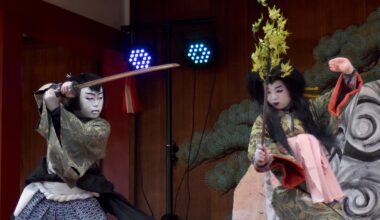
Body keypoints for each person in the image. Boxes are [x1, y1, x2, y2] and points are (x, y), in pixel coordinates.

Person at [13, 73, 152, 220]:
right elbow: (45, 94)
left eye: (100, 97)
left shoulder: (100, 126)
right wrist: (59, 89)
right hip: (46, 191)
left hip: (81, 194)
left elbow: (80, 135)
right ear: (75, 98)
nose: (96, 104)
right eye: (90, 98)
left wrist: (55, 108)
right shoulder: (59, 113)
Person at [245, 57, 363, 219]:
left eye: (279, 90)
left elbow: (336, 100)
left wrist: (349, 73)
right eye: (268, 92)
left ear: (290, 89)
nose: (273, 97)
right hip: (288, 186)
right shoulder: (264, 121)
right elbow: (256, 145)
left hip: (318, 183)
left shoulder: (310, 111)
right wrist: (261, 156)